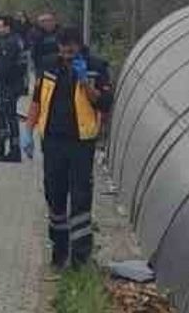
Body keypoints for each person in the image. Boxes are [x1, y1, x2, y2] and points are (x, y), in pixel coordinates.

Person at [27, 26, 114, 271]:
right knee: (55, 195)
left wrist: (86, 82)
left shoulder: (96, 66)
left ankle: (80, 259)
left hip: (81, 143)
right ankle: (59, 252)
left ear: (78, 46)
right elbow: (37, 100)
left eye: (70, 51)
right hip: (53, 141)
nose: (66, 55)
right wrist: (28, 130)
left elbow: (105, 104)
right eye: (63, 51)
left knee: (80, 198)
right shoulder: (49, 65)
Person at [0, 15, 27, 162]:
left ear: (8, 27)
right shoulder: (10, 40)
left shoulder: (11, 42)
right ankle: (0, 146)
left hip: (10, 84)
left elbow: (7, 66)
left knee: (10, 117)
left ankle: (15, 150)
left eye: (0, 26)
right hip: (9, 84)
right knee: (2, 115)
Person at [31, 12, 60, 78]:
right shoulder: (37, 36)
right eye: (44, 21)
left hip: (58, 70)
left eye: (50, 21)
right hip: (43, 70)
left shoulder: (59, 34)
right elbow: (35, 55)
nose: (48, 23)